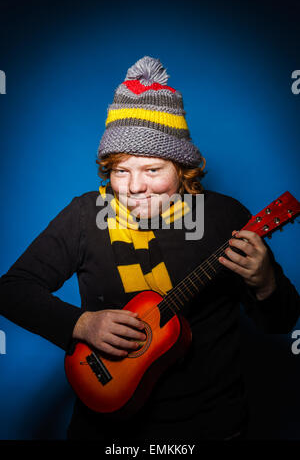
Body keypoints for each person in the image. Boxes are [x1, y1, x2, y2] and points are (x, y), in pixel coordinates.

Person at [0, 56, 299, 442]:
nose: (133, 187)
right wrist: (81, 324)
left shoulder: (226, 216)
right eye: (120, 171)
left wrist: (266, 282)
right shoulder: (83, 215)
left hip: (213, 428)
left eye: (152, 170)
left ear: (183, 168)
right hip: (104, 430)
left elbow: (279, 323)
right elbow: (12, 290)